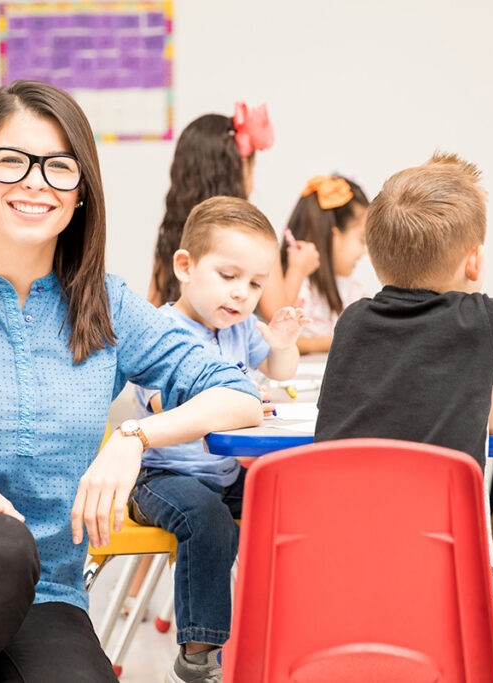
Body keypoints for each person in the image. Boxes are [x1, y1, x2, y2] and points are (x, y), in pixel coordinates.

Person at [0, 81, 264, 683]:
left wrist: (134, 437)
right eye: (12, 160)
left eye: (59, 167)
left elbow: (239, 396)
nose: (35, 182)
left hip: (45, 594)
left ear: (81, 192)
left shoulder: (106, 306)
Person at [315, 153, 493, 683]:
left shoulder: (351, 321)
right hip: (449, 574)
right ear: (475, 262)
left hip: (342, 573)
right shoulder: (489, 317)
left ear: (372, 257)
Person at [130, 196, 309, 682]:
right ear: (185, 266)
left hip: (224, 473)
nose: (242, 294)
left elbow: (279, 373)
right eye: (229, 277)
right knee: (208, 519)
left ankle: (296, 630)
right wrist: (234, 405)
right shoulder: (160, 331)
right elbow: (165, 409)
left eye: (255, 284)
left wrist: (282, 344)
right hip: (163, 475)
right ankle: (201, 651)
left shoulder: (241, 328)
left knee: (293, 500)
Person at [147, 103, 294, 306]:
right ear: (239, 169)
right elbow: (277, 312)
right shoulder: (253, 235)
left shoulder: (172, 232)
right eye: (227, 275)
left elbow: (152, 305)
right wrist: (298, 269)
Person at [269, 175, 369, 354]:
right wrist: (334, 343)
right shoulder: (298, 287)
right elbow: (280, 338)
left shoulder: (351, 290)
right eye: (362, 239)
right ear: (333, 237)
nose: (364, 251)